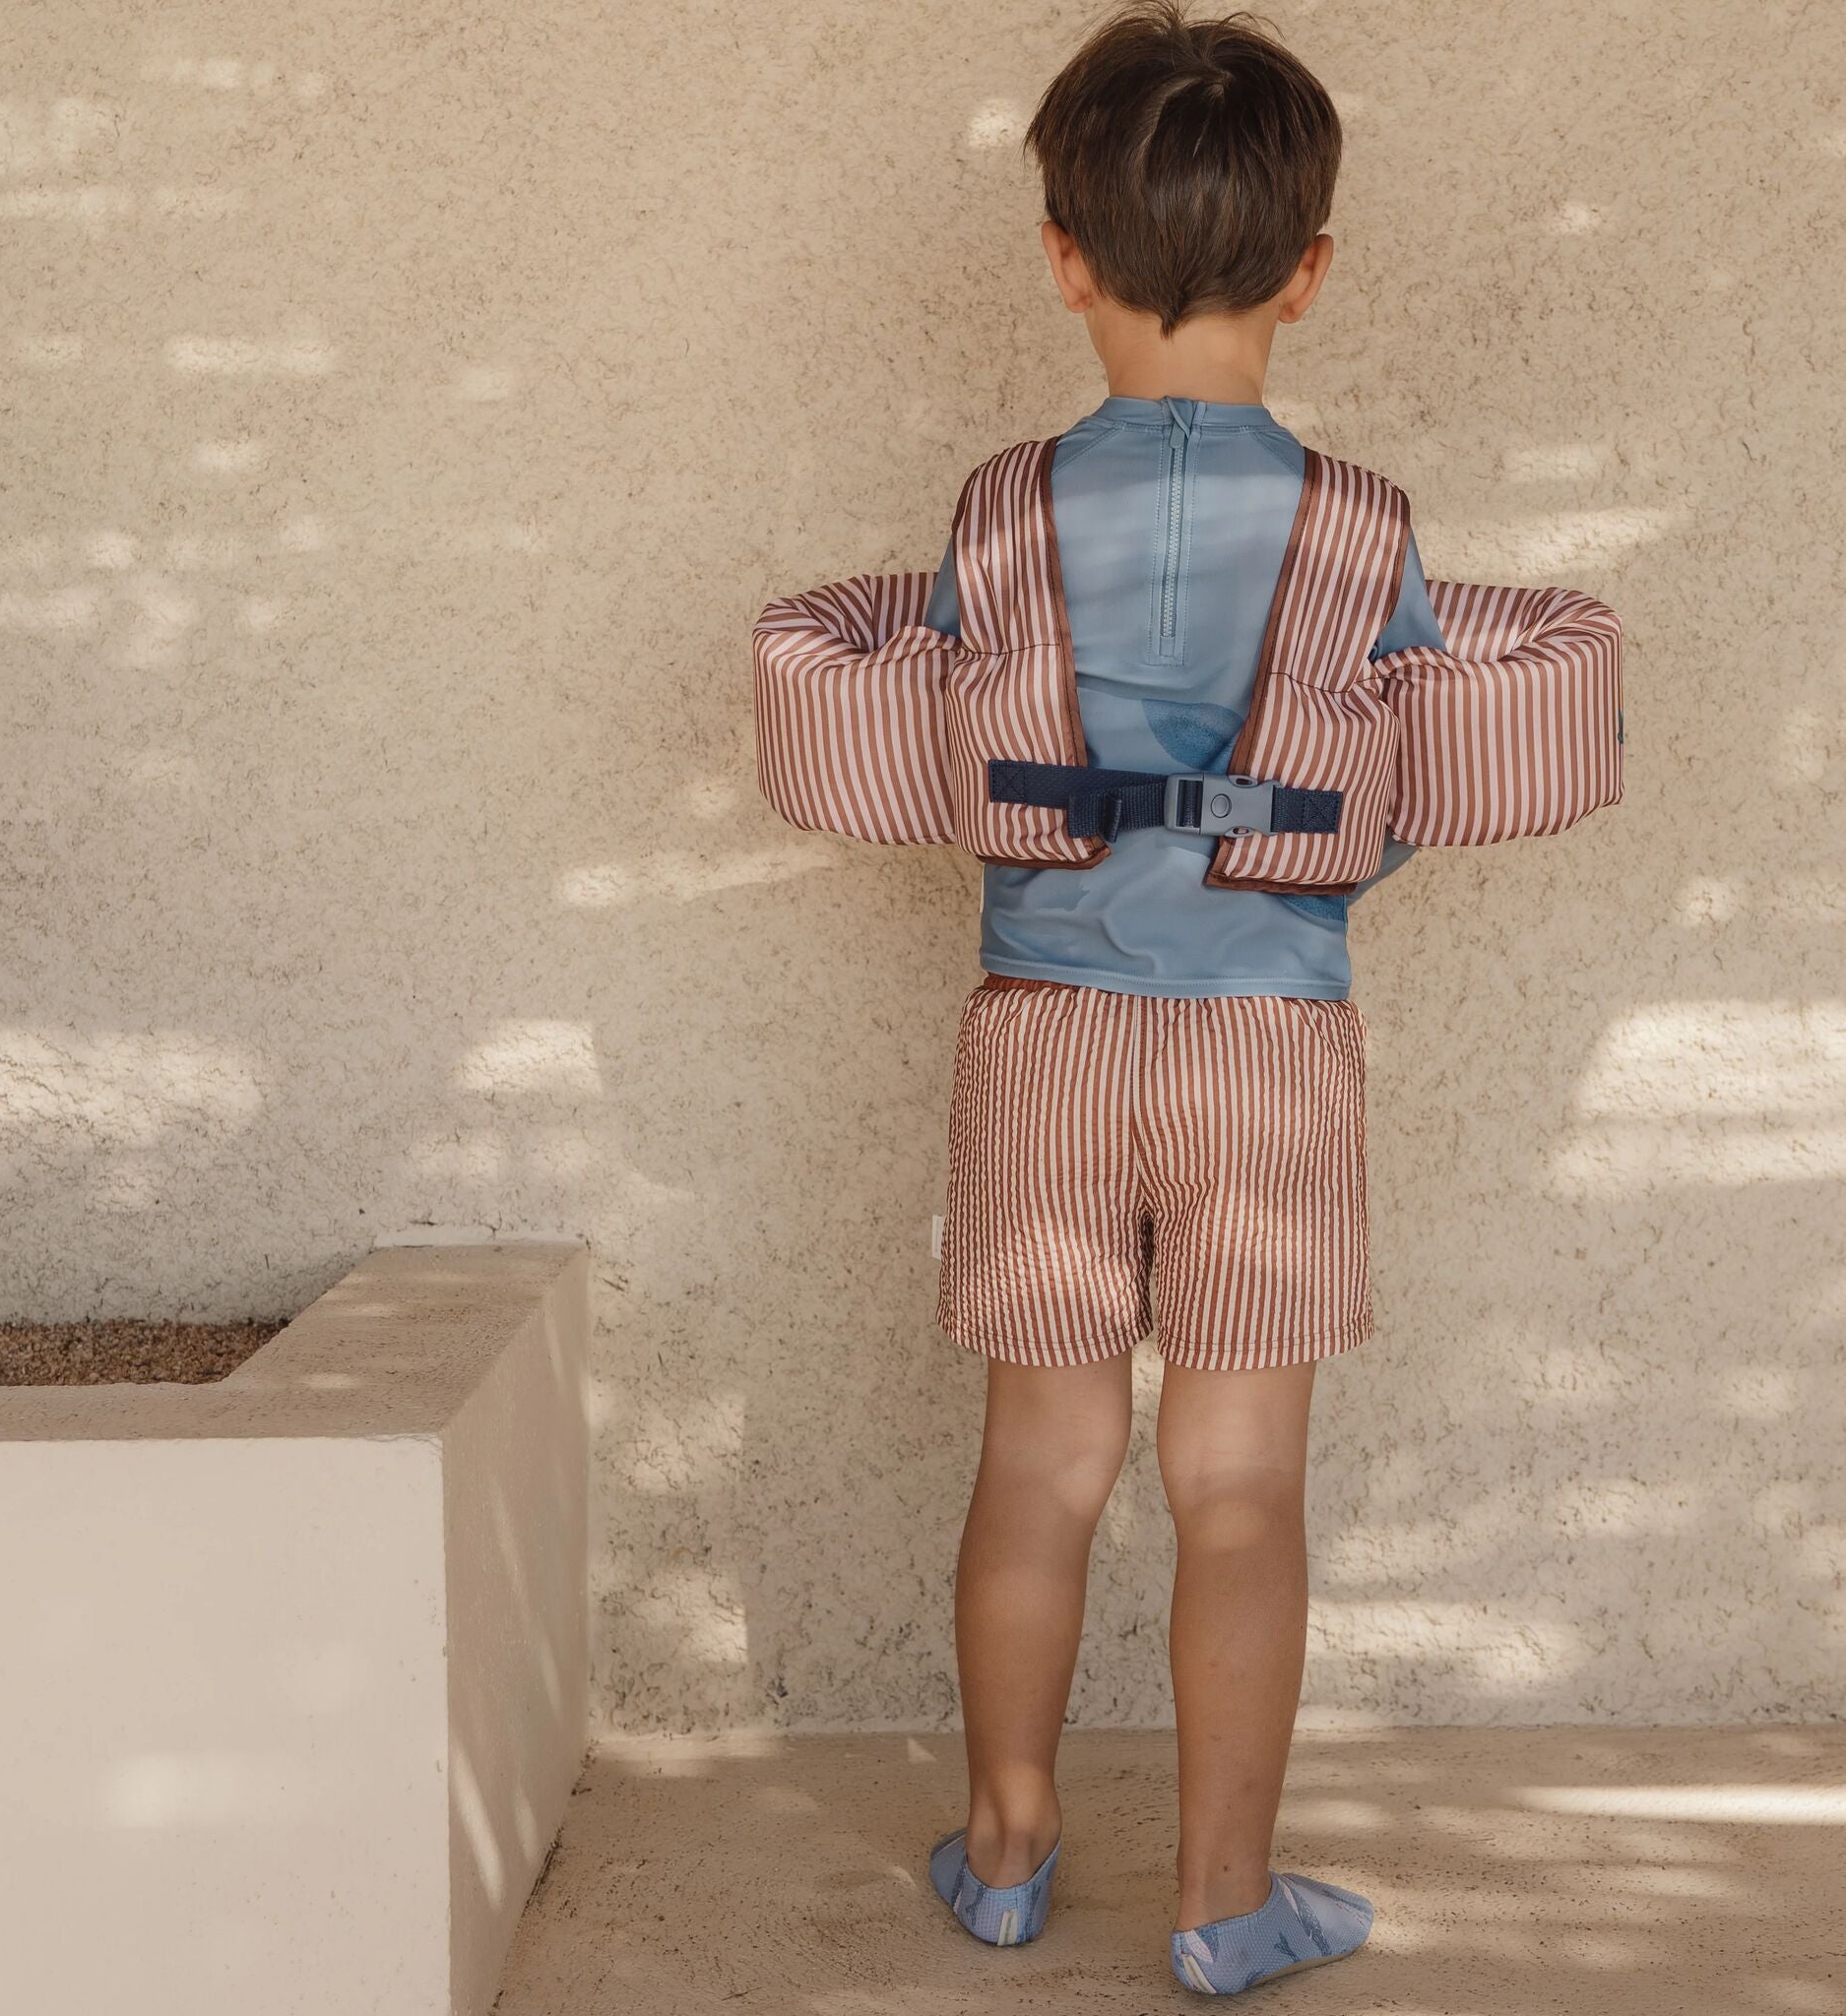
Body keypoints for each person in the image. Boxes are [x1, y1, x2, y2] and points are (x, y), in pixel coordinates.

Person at [918, 5, 1439, 1992]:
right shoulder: (1363, 525)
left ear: (1060, 253)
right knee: (1237, 1480)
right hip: (1269, 1047)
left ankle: (1004, 1844)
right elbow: (1381, 797)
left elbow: (952, 726)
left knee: (1039, 1461)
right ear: (1308, 271)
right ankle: (1225, 1898)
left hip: (1041, 1030)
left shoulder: (997, 509)